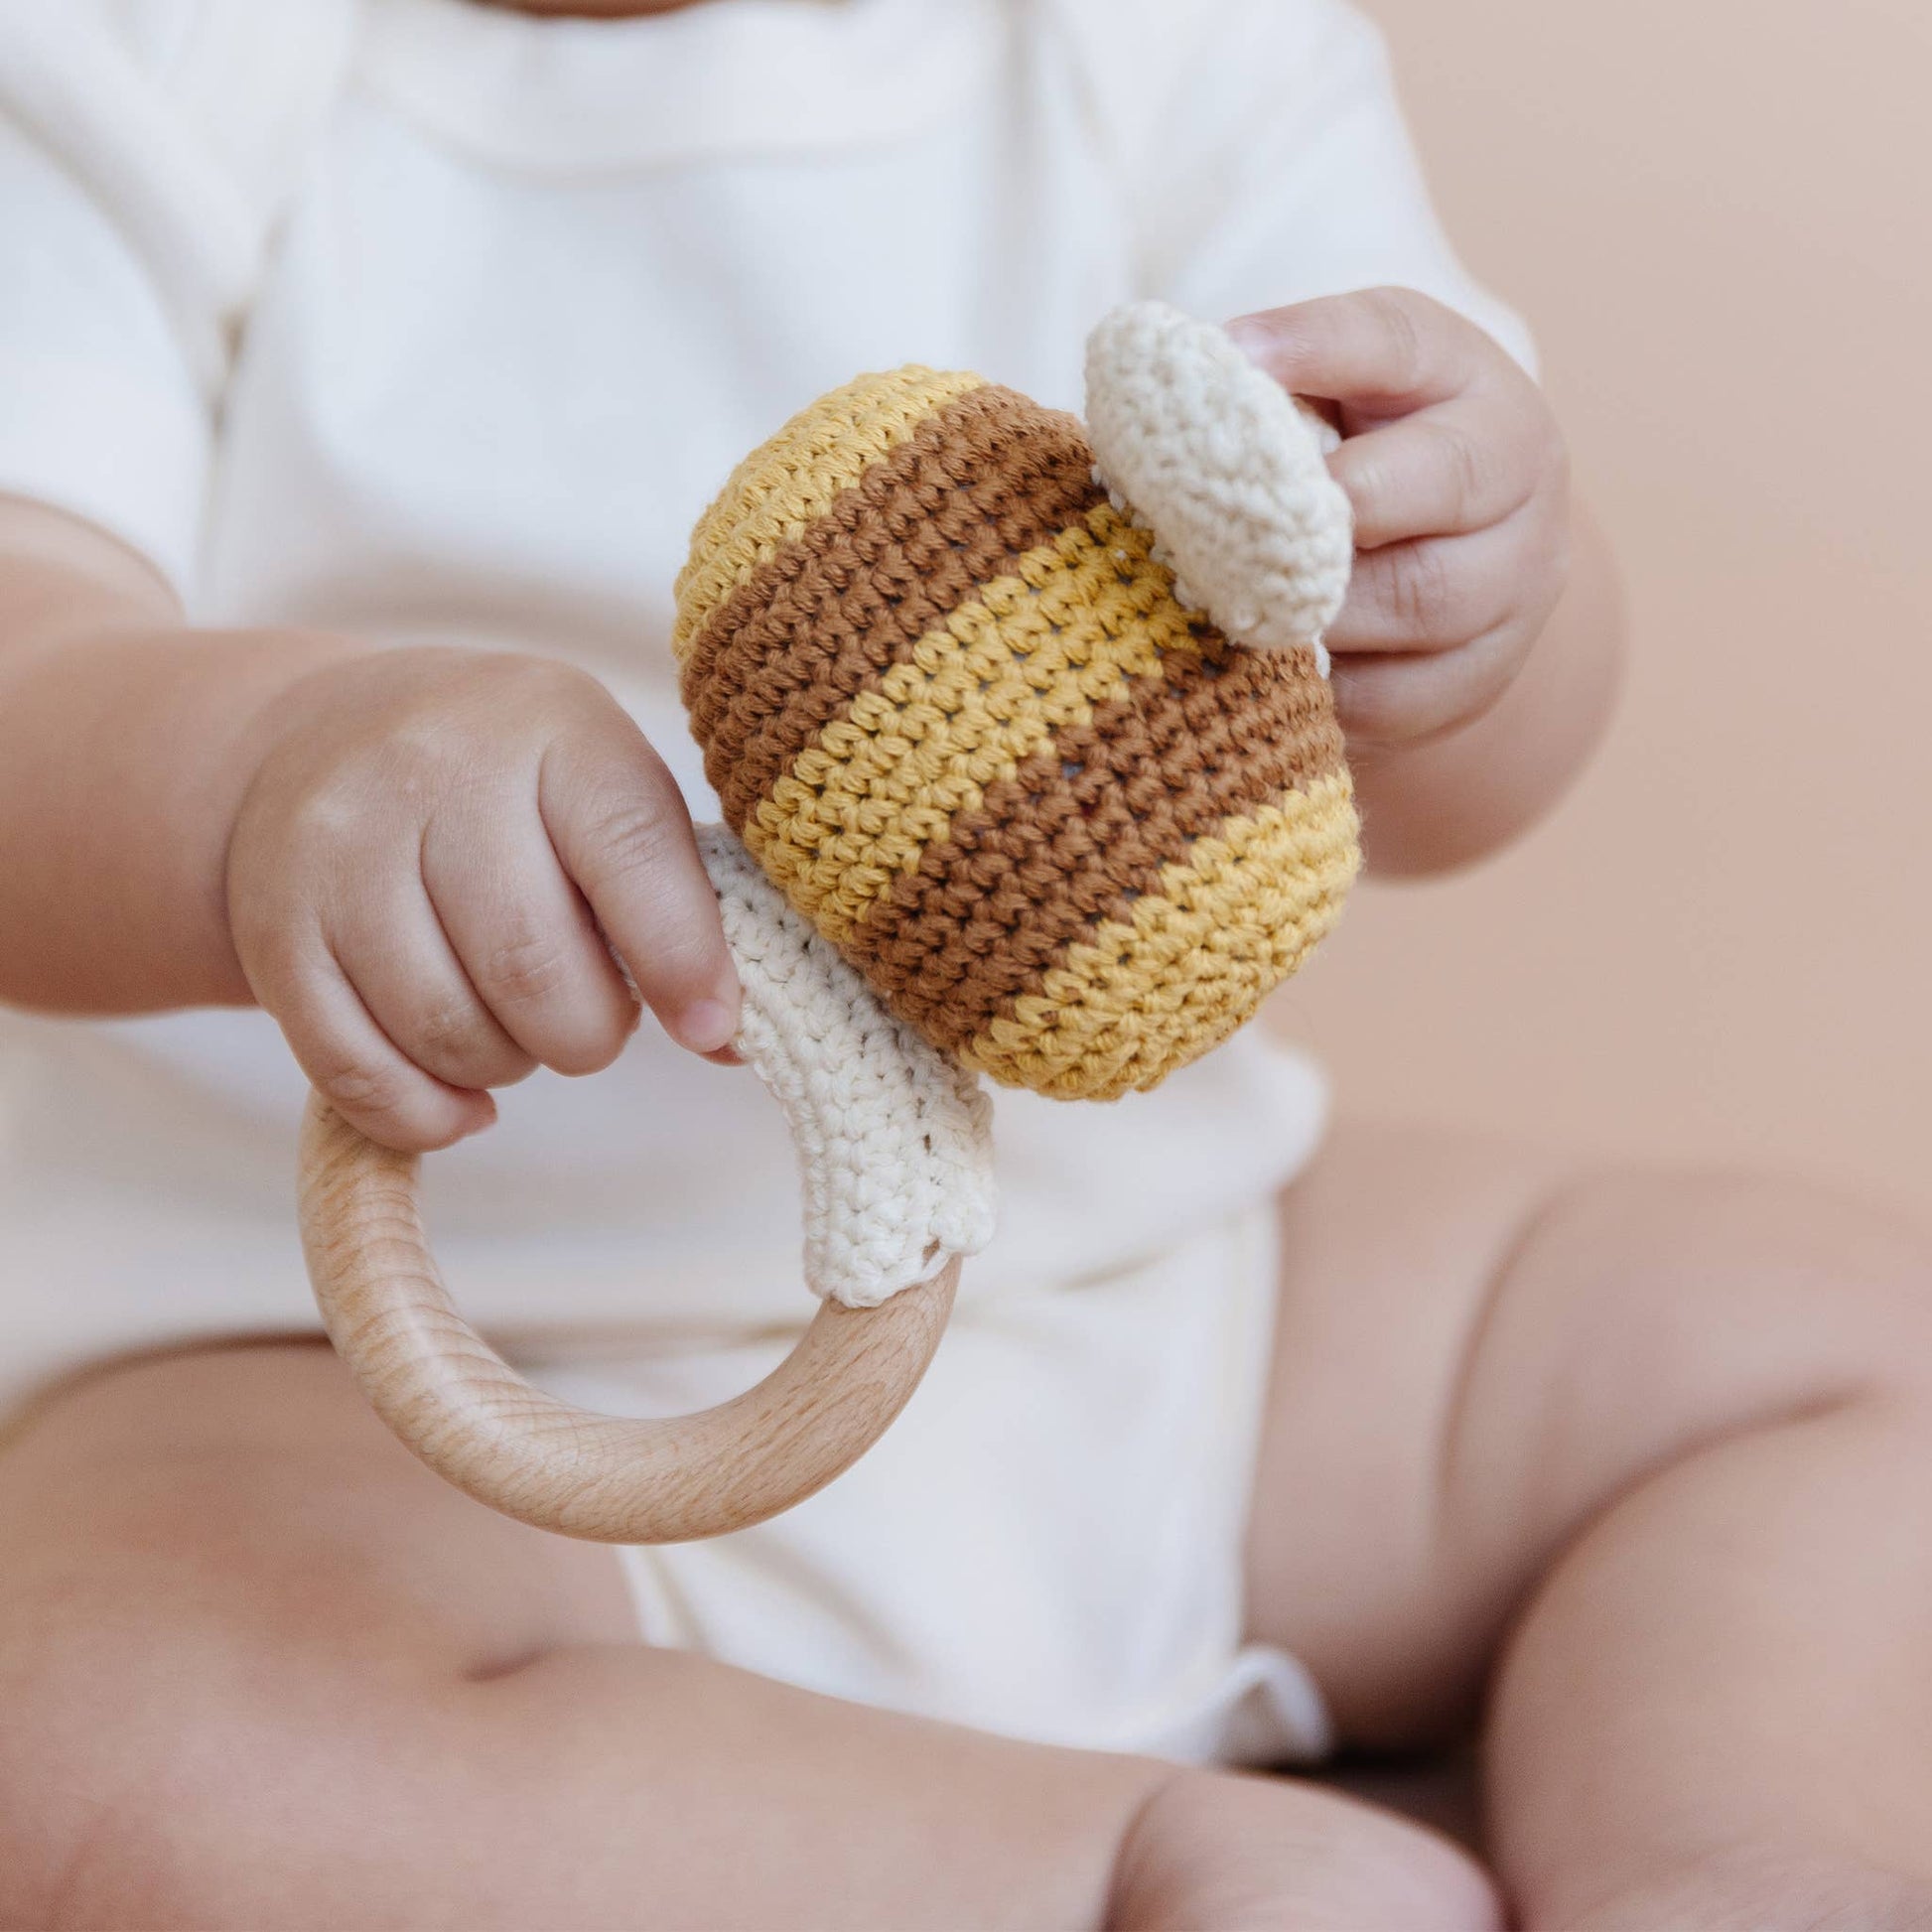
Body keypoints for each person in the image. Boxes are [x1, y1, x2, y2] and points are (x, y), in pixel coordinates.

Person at [2, 2, 1929, 1925]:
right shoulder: (140, 53)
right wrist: (263, 776)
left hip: (1144, 1273)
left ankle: (1738, 1856)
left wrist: (1472, 601)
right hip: (387, 1405)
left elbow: (1436, 786)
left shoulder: (1157, 43)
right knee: (94, 1730)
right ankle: (1120, 1877)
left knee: (1847, 1344)